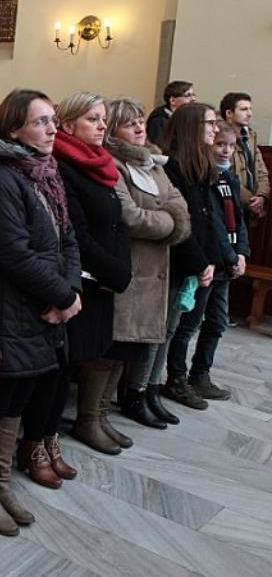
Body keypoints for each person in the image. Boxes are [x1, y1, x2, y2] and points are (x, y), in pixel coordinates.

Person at [0, 89, 81, 536]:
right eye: (40, 122)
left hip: (42, 304)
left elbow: (67, 237)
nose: (53, 129)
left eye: (53, 120)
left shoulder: (45, 170)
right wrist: (63, 295)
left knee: (20, 396)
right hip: (10, 306)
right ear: (14, 129)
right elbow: (13, 253)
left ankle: (2, 484)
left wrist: (70, 291)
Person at [22, 93, 132, 464]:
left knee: (81, 360)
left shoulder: (101, 164)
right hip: (77, 280)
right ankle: (36, 442)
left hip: (102, 279)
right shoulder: (62, 166)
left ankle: (55, 435)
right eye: (92, 119)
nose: (102, 125)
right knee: (59, 367)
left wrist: (119, 269)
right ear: (68, 125)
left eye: (103, 118)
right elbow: (76, 234)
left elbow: (117, 221)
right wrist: (111, 271)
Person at [104, 97, 191, 428]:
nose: (140, 128)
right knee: (120, 344)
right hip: (133, 264)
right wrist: (170, 222)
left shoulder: (153, 162)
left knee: (147, 339)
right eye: (130, 124)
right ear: (113, 131)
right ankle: (111, 407)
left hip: (157, 264)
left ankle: (142, 394)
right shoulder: (114, 165)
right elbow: (130, 217)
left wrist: (170, 217)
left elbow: (178, 202)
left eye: (140, 120)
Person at [165, 120, 249, 402]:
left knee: (217, 323)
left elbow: (238, 222)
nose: (226, 150)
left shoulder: (230, 179)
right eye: (220, 144)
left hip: (227, 265)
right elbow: (213, 224)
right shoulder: (205, 179)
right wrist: (229, 256)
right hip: (211, 262)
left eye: (231, 146)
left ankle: (200, 374)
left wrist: (242, 253)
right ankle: (176, 378)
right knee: (189, 323)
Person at [159, 103, 221, 409]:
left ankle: (173, 379)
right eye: (210, 123)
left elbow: (207, 219)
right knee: (171, 330)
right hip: (179, 261)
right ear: (191, 127)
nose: (215, 129)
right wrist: (200, 263)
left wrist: (212, 260)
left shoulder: (200, 165)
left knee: (184, 327)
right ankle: (163, 383)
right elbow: (180, 222)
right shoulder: (173, 166)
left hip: (200, 261)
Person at [220, 92, 269, 222]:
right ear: (229, 113)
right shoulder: (219, 138)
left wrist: (261, 196)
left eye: (250, 109)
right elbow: (225, 175)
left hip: (249, 207)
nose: (250, 114)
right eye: (244, 109)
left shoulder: (250, 136)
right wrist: (251, 201)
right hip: (228, 205)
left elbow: (261, 171)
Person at [146, 80, 195, 146]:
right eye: (188, 95)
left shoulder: (186, 119)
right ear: (173, 100)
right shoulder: (159, 121)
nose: (193, 99)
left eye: (193, 95)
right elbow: (159, 148)